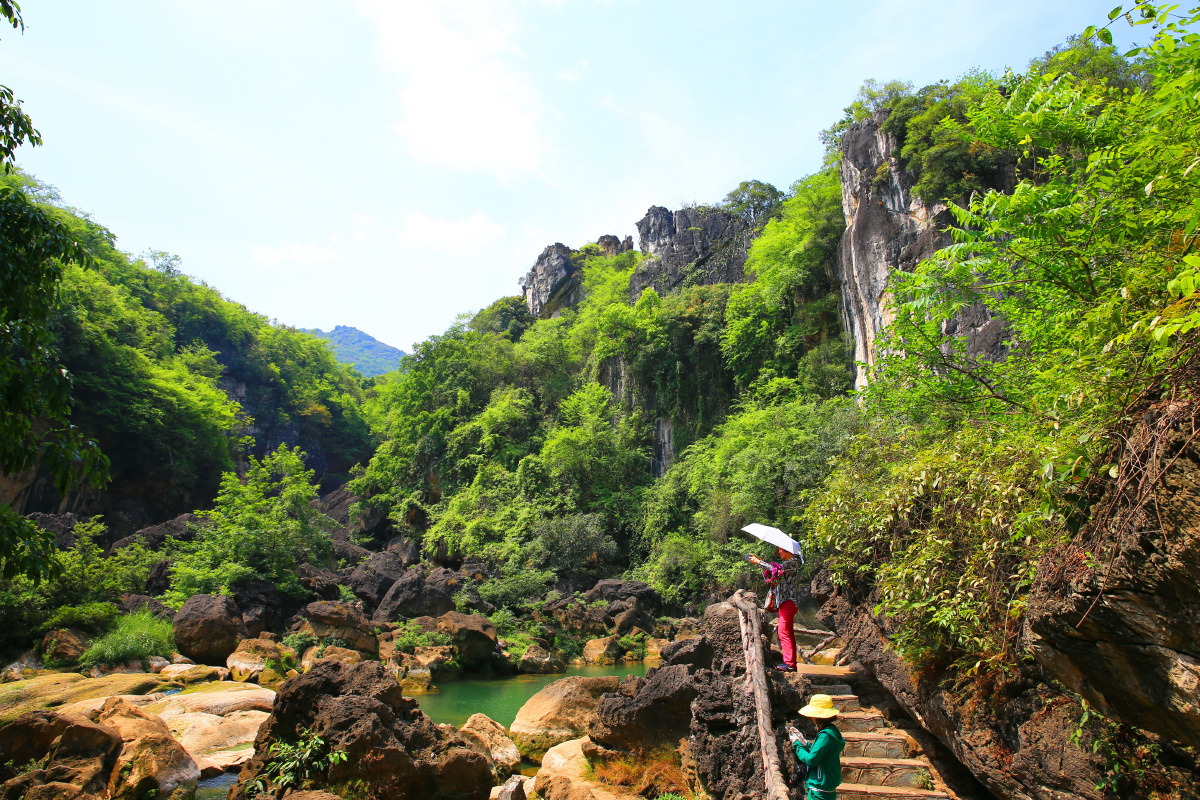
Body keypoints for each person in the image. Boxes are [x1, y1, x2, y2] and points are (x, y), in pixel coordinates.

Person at [748, 546, 804, 671]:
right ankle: (790, 663)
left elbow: (776, 570)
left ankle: (790, 664)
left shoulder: (792, 562)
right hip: (784, 602)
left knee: (783, 632)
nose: (779, 552)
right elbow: (773, 576)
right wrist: (761, 564)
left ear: (789, 550)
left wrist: (759, 562)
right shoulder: (786, 564)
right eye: (778, 550)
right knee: (786, 632)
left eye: (781, 549)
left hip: (788, 602)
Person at [787, 694, 845, 800]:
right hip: (827, 787)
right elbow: (820, 752)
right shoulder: (832, 731)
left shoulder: (825, 736)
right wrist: (805, 743)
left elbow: (811, 759)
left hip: (819, 790)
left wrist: (797, 744)